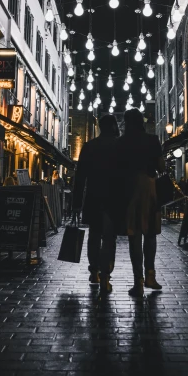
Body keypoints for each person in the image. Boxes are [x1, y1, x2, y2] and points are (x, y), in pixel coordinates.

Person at [116, 108, 165, 297]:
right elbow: (161, 167)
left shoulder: (121, 142)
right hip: (149, 188)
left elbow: (117, 169)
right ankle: (151, 275)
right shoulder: (152, 140)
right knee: (150, 233)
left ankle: (138, 282)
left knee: (134, 235)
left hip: (128, 189)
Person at [72, 114, 120, 293]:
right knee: (109, 238)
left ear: (99, 127)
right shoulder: (119, 146)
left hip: (93, 197)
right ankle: (106, 275)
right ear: (114, 126)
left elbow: (80, 177)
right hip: (114, 198)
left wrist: (76, 203)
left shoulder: (89, 146)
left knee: (94, 236)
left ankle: (94, 271)